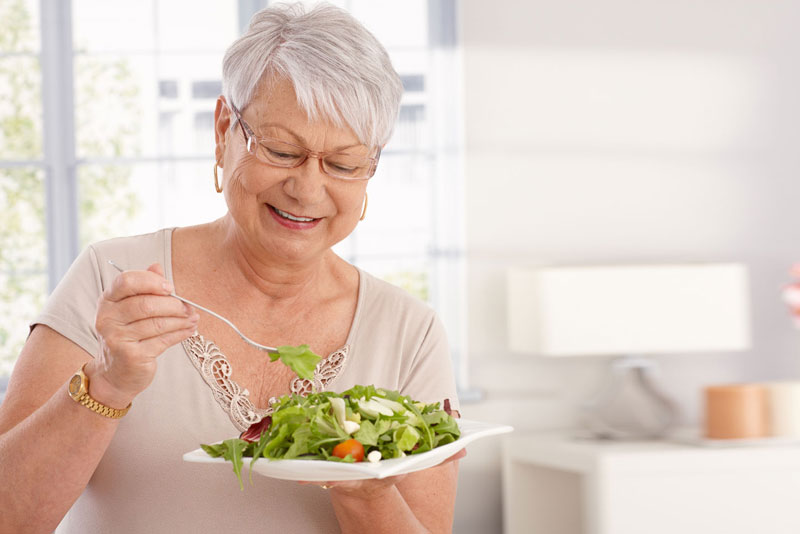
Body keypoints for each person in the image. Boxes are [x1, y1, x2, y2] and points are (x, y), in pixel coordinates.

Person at [0, 4, 462, 533]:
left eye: (343, 164)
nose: (307, 190)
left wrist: (364, 495)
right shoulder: (112, 279)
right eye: (282, 151)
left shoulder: (410, 332)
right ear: (224, 129)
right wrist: (107, 385)